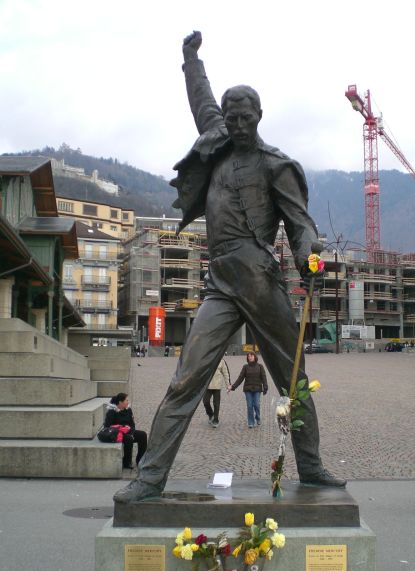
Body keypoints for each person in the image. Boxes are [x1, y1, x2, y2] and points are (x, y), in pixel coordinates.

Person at [114, 31, 345, 504]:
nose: (238, 125)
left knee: (293, 380)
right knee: (186, 377)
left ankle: (312, 467)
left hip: (260, 281)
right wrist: (190, 59)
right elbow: (200, 100)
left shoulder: (276, 165)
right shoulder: (217, 143)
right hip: (220, 283)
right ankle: (150, 477)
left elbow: (301, 224)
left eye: (245, 118)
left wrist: (310, 256)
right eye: (232, 117)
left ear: (259, 117)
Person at [105, 393, 148, 470]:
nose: (128, 402)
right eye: (126, 400)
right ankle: (127, 462)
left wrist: (131, 432)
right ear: (120, 402)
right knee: (128, 438)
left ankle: (140, 459)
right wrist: (122, 429)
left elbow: (132, 424)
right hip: (117, 434)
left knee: (143, 435)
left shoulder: (128, 410)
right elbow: (107, 426)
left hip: (128, 432)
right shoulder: (112, 412)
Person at [229, 352, 267, 427]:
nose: (250, 357)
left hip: (257, 389)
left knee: (256, 405)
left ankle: (258, 417)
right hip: (248, 389)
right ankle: (251, 422)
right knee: (249, 406)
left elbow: (264, 377)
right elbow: (240, 378)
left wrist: (265, 387)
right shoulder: (245, 367)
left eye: (251, 356)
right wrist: (233, 387)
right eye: (249, 356)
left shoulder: (260, 366)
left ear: (255, 357)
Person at [203, 357, 230, 427]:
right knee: (205, 401)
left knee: (216, 404)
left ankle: (216, 420)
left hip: (217, 385)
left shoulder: (221, 361)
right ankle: (211, 414)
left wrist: (228, 385)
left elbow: (226, 373)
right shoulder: (206, 359)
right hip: (207, 385)